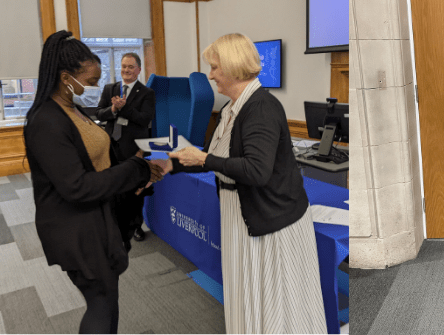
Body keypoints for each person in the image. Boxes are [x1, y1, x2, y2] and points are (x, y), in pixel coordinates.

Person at [153, 33, 326, 334]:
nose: (211, 75)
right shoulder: (231, 109)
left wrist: (204, 159)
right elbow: (213, 157)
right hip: (242, 215)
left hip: (270, 222)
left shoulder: (261, 107)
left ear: (233, 67)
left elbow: (256, 171)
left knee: (274, 303)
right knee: (248, 295)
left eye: (215, 67)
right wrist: (172, 164)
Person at [24, 30, 163, 333]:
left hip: (97, 218)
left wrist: (136, 173)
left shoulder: (70, 108)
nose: (96, 86)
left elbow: (101, 159)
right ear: (65, 77)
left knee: (107, 296)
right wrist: (135, 169)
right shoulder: (45, 120)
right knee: (101, 299)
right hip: (74, 226)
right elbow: (78, 186)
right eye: (89, 81)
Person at [96, 52, 156, 248]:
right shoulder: (109, 88)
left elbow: (144, 119)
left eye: (130, 67)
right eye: (123, 66)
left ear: (138, 70)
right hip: (111, 148)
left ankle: (136, 226)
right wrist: (113, 110)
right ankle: (113, 224)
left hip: (134, 150)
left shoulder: (147, 93)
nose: (126, 70)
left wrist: (124, 108)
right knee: (113, 188)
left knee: (133, 191)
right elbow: (99, 113)